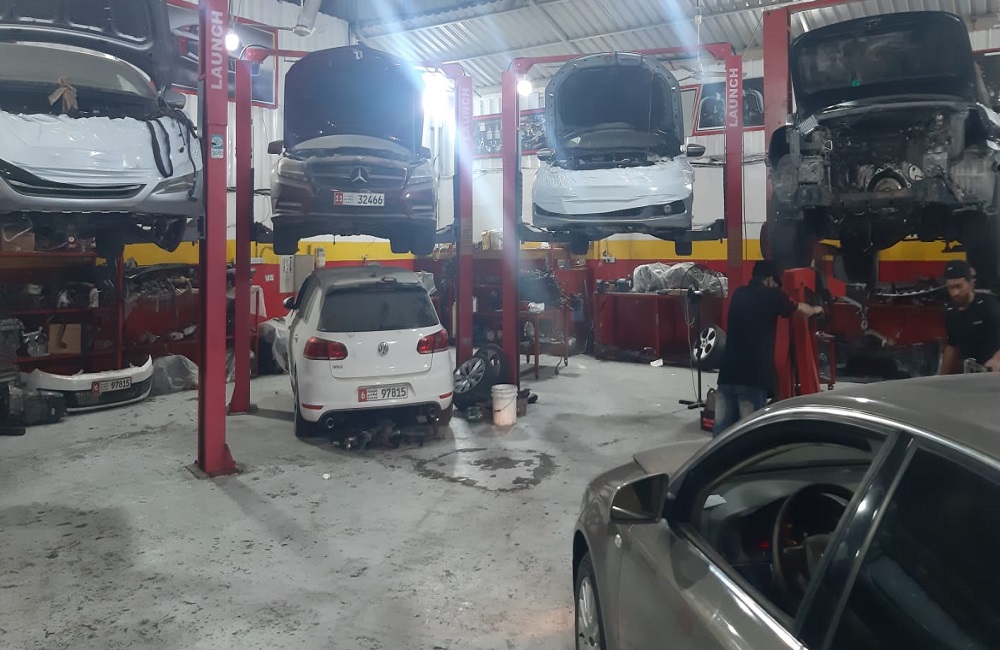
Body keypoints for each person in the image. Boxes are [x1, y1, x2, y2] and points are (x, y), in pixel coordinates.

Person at [713, 261, 824, 436]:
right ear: (770, 280)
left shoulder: (738, 293)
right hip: (753, 378)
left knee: (721, 436)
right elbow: (802, 310)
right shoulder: (773, 296)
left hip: (727, 375)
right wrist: (817, 309)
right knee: (749, 436)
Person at [938, 260, 1000, 374]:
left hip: (993, 373)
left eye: (959, 286)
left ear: (971, 284)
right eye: (951, 288)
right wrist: (941, 378)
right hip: (972, 373)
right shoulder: (951, 312)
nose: (955, 293)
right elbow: (952, 346)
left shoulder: (988, 306)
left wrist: (996, 360)